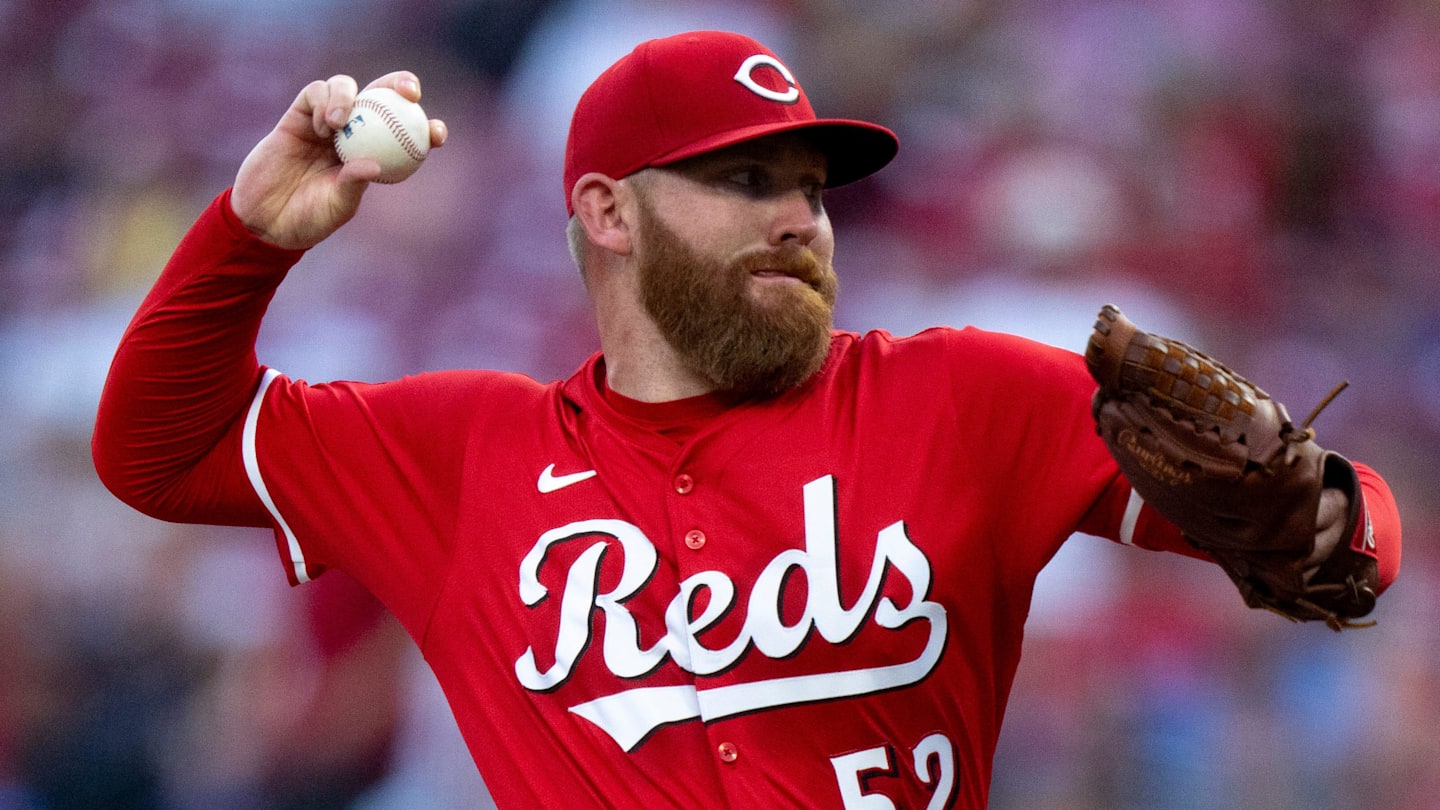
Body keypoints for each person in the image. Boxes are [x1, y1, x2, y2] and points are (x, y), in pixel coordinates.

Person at [93, 30, 1402, 809]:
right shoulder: (457, 451)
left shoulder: (966, 396)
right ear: (608, 211)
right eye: (744, 179)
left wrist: (1331, 515)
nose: (798, 214)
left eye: (811, 187)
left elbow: (1355, 536)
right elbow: (156, 449)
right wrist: (249, 235)